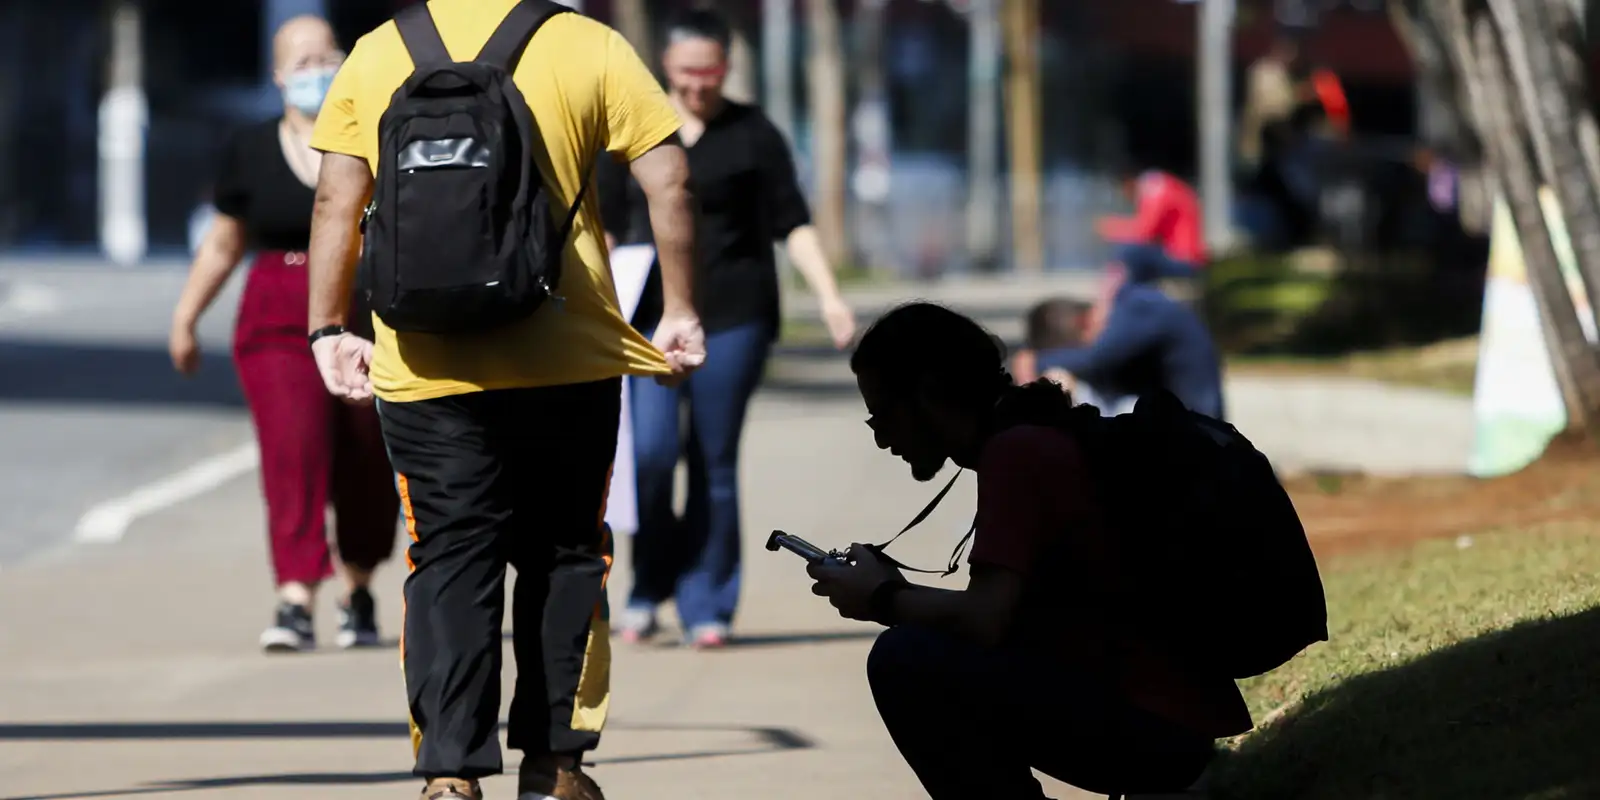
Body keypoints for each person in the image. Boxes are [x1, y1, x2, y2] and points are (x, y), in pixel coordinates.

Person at [303, 1, 705, 798]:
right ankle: (555, 766)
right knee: (565, 553)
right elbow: (670, 178)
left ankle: (449, 774)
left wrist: (325, 328)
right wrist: (681, 307)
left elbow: (334, 201)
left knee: (449, 558)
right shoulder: (588, 45)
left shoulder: (379, 52)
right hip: (567, 356)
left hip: (423, 361)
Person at [806, 302, 1252, 799]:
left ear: (930, 395)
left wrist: (884, 597)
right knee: (923, 651)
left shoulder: (1017, 453)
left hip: (1156, 728)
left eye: (883, 415)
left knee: (903, 660)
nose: (882, 439)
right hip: (1166, 720)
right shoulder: (1032, 432)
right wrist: (891, 590)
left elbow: (984, 618)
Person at [598, 8, 857, 648]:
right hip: (649, 320)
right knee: (652, 458)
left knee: (712, 459)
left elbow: (790, 221)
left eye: (709, 72)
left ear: (726, 67)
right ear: (666, 66)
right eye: (686, 73)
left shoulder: (753, 134)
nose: (697, 86)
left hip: (735, 316)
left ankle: (708, 599)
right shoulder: (633, 125)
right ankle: (648, 586)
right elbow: (601, 224)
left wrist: (829, 295)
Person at [168, 14, 399, 654]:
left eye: (326, 58)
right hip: (276, 315)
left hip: (366, 306)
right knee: (292, 448)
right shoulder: (248, 148)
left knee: (368, 454)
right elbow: (222, 243)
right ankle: (296, 592)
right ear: (276, 76)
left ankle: (358, 585)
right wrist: (187, 318)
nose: (315, 73)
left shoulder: (377, 136)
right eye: (301, 63)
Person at [1011, 277, 1224, 420]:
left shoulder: (1135, 308)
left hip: (1203, 435)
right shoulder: (1132, 309)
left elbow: (1096, 358)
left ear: (1084, 322)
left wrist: (1036, 361)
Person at [1095, 166, 1207, 284]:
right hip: (1184, 259)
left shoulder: (1155, 188)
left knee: (1127, 251)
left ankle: (1114, 297)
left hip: (1184, 261)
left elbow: (1144, 233)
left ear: (1128, 183)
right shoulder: (1166, 186)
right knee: (1134, 257)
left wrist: (1109, 228)